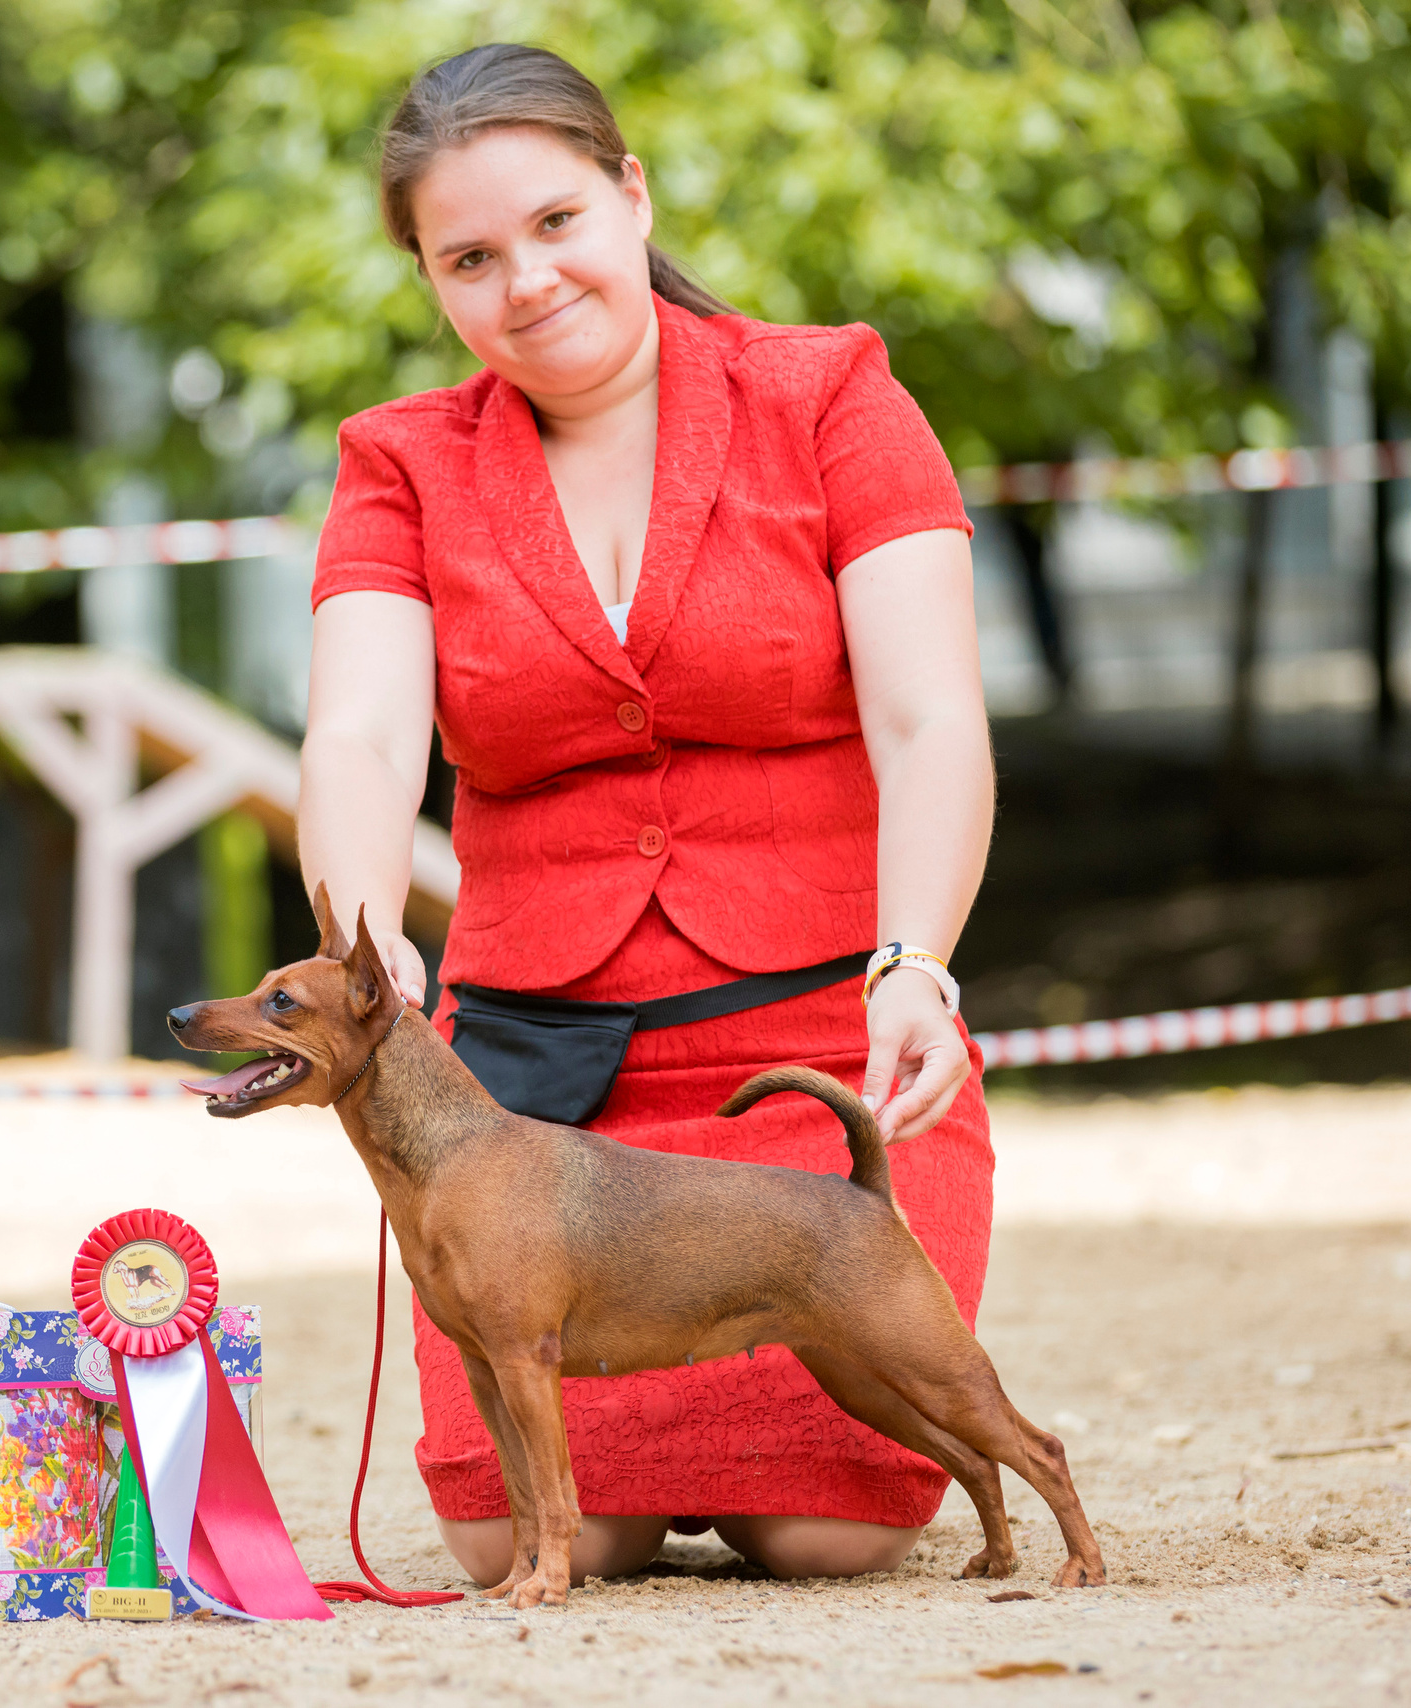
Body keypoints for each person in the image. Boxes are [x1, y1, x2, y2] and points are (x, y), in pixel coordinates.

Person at [297, 42, 995, 1586]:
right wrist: (369, 953)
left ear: (631, 191)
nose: (525, 283)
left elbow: (931, 715)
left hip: (816, 1064)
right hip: (533, 1106)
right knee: (522, 1540)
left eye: (555, 223)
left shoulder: (832, 392)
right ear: (429, 278)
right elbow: (355, 733)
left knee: (825, 1531)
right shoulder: (396, 464)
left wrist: (917, 968)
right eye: (468, 258)